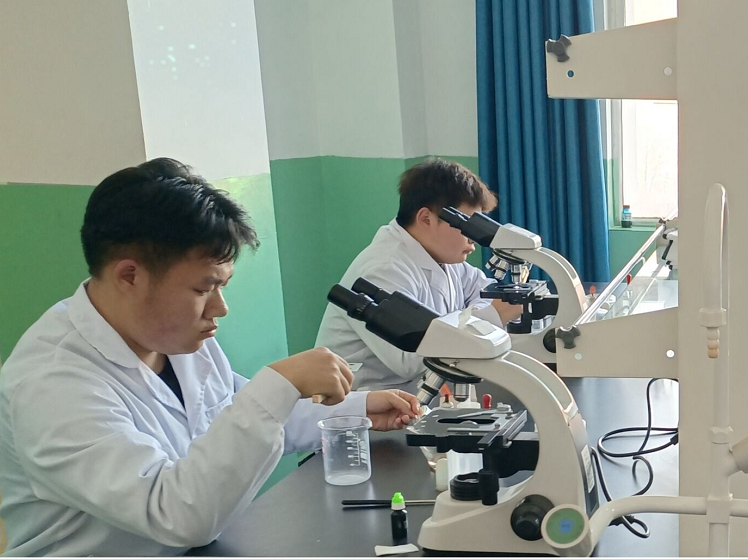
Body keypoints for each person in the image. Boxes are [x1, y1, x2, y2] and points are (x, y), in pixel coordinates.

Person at [0, 158, 419, 556]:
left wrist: (357, 408)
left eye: (222, 287)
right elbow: (176, 513)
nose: (220, 308)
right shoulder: (51, 384)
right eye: (203, 289)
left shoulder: (173, 340)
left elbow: (243, 419)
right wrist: (282, 381)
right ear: (129, 275)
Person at [316, 158, 522, 389]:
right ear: (426, 218)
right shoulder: (384, 268)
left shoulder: (444, 256)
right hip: (368, 399)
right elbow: (410, 359)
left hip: (420, 391)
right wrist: (491, 317)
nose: (473, 238)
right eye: (466, 227)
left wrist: (471, 320)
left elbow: (484, 293)